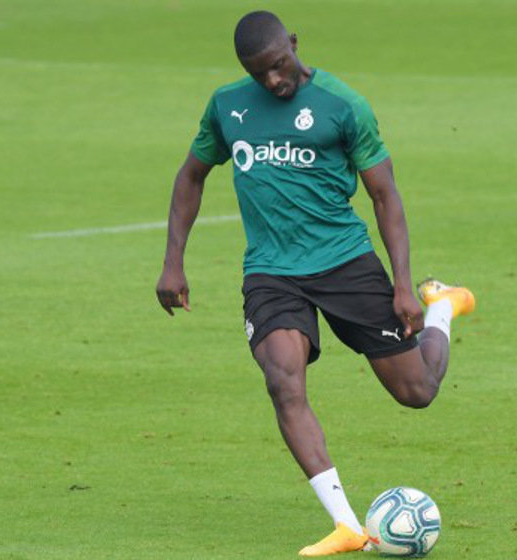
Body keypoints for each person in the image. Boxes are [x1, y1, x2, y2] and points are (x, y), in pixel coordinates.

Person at [155, 10, 475, 556]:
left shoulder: (342, 105)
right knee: (283, 380)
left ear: (294, 45)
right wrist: (173, 263)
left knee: (417, 392)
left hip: (346, 264)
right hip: (272, 273)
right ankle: (348, 525)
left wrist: (403, 285)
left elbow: (385, 196)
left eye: (279, 66)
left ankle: (441, 306)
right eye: (261, 74)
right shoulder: (226, 106)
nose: (274, 81)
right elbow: (191, 175)